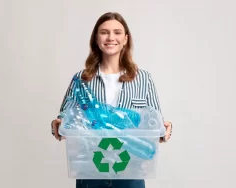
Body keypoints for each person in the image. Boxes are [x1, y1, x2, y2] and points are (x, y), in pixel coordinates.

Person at [51, 12, 172, 188]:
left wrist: (166, 130)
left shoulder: (143, 79)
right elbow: (65, 118)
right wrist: (57, 125)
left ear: (125, 39)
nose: (110, 37)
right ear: (96, 39)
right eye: (104, 32)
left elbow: (154, 123)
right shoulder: (82, 80)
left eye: (117, 32)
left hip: (131, 172)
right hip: (90, 172)